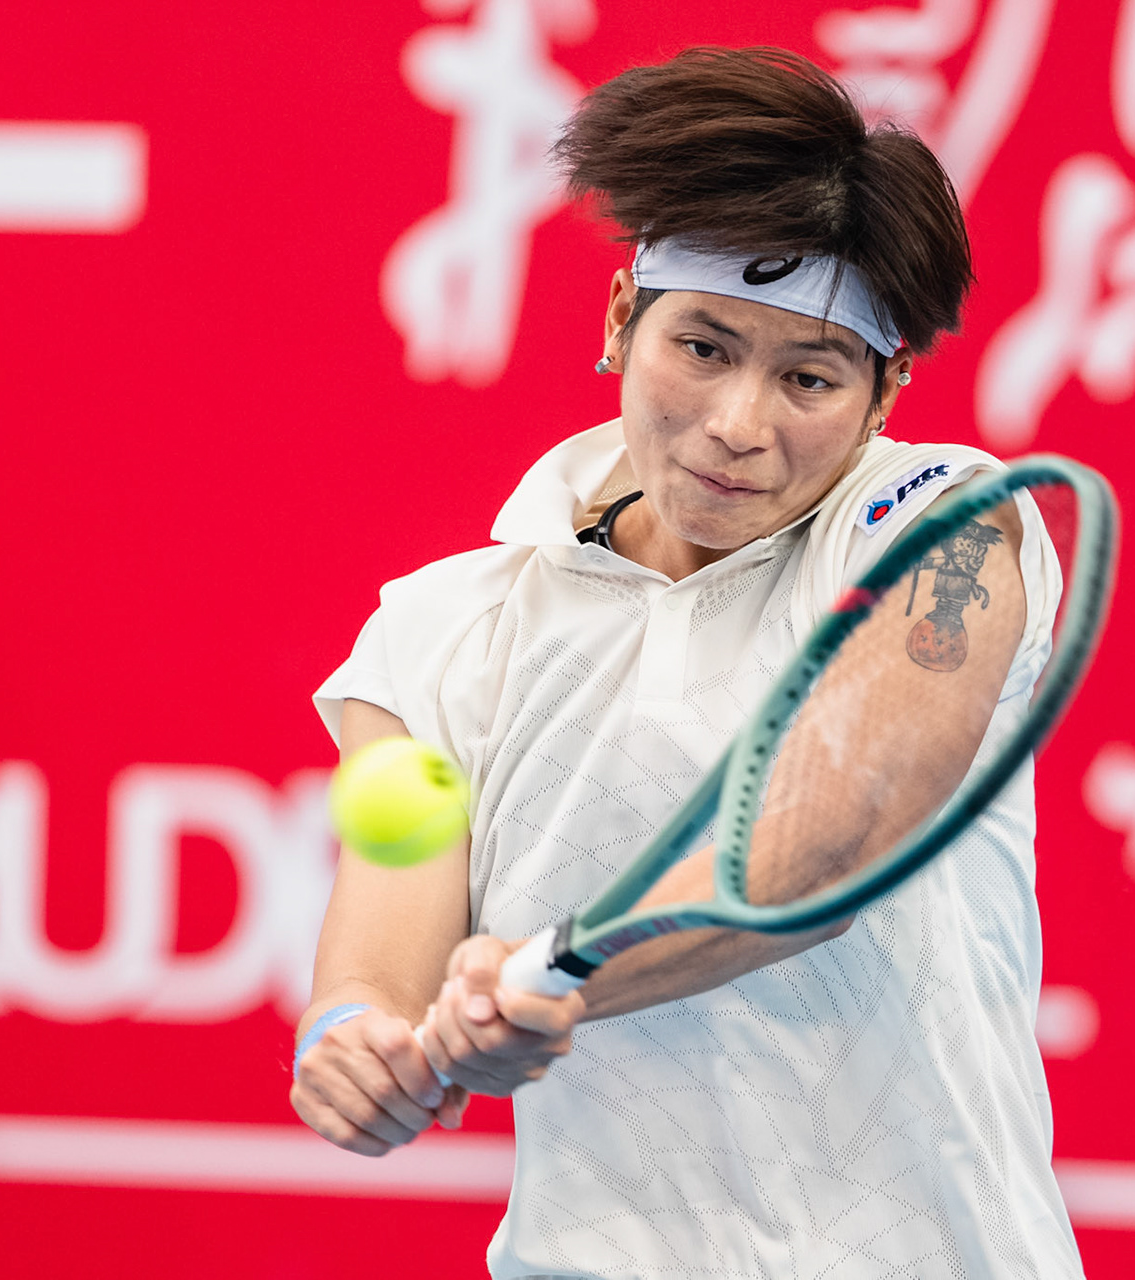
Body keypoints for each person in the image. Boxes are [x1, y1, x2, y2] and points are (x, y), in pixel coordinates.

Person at [293, 46, 1084, 1277]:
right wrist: (364, 1044)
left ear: (883, 400)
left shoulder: (942, 524)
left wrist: (556, 974)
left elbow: (834, 830)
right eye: (704, 348)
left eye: (808, 377)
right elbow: (385, 966)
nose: (739, 425)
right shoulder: (442, 628)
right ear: (621, 319)